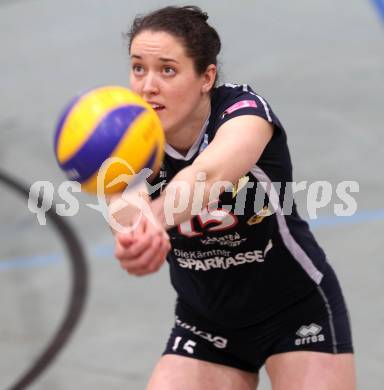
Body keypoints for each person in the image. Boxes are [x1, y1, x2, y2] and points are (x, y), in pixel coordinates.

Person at [110, 5, 355, 389]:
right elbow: (124, 211)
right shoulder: (125, 141)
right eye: (139, 67)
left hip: (294, 311)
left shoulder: (244, 113)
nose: (147, 86)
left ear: (206, 77)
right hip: (205, 323)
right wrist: (134, 240)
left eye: (167, 70)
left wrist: (148, 222)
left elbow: (206, 177)